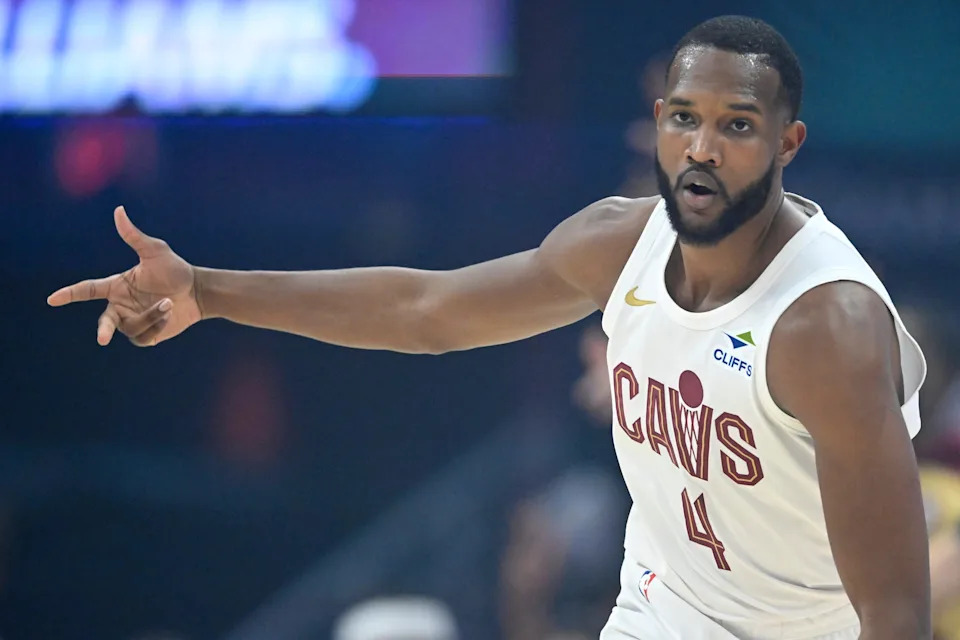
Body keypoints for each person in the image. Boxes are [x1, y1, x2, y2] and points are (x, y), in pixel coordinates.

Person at [48, 15, 930, 640]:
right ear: (660, 126)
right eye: (686, 120)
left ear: (788, 144)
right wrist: (207, 288)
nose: (703, 148)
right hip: (665, 612)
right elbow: (424, 311)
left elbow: (895, 611)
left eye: (738, 127)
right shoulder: (616, 244)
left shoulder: (829, 329)